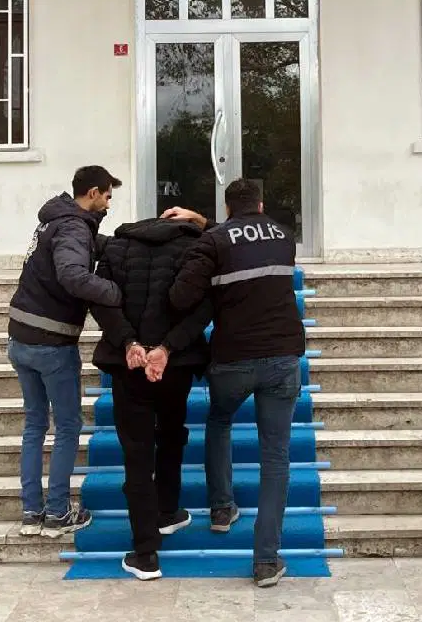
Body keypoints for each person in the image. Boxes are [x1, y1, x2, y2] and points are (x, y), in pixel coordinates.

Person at [168, 179, 305, 589]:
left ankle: (221, 508)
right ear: (261, 205)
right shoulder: (284, 236)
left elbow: (180, 296)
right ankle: (266, 561)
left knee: (219, 421)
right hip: (282, 357)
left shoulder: (214, 242)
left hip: (232, 358)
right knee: (276, 459)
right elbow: (247, 241)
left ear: (228, 209)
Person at [88, 211, 214, 581]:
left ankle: (145, 553)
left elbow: (101, 301)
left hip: (128, 364)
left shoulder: (116, 247)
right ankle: (168, 510)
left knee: (137, 454)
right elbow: (206, 306)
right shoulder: (195, 246)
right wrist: (167, 348)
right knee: (172, 432)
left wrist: (130, 342)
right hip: (175, 364)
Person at [7, 166, 123, 539]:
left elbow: (87, 245)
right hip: (50, 341)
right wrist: (115, 293)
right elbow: (73, 274)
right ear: (93, 193)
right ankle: (57, 512)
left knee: (35, 424)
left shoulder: (56, 220)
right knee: (69, 425)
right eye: (107, 196)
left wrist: (126, 243)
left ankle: (31, 513)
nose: (109, 204)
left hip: (20, 336)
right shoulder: (73, 227)